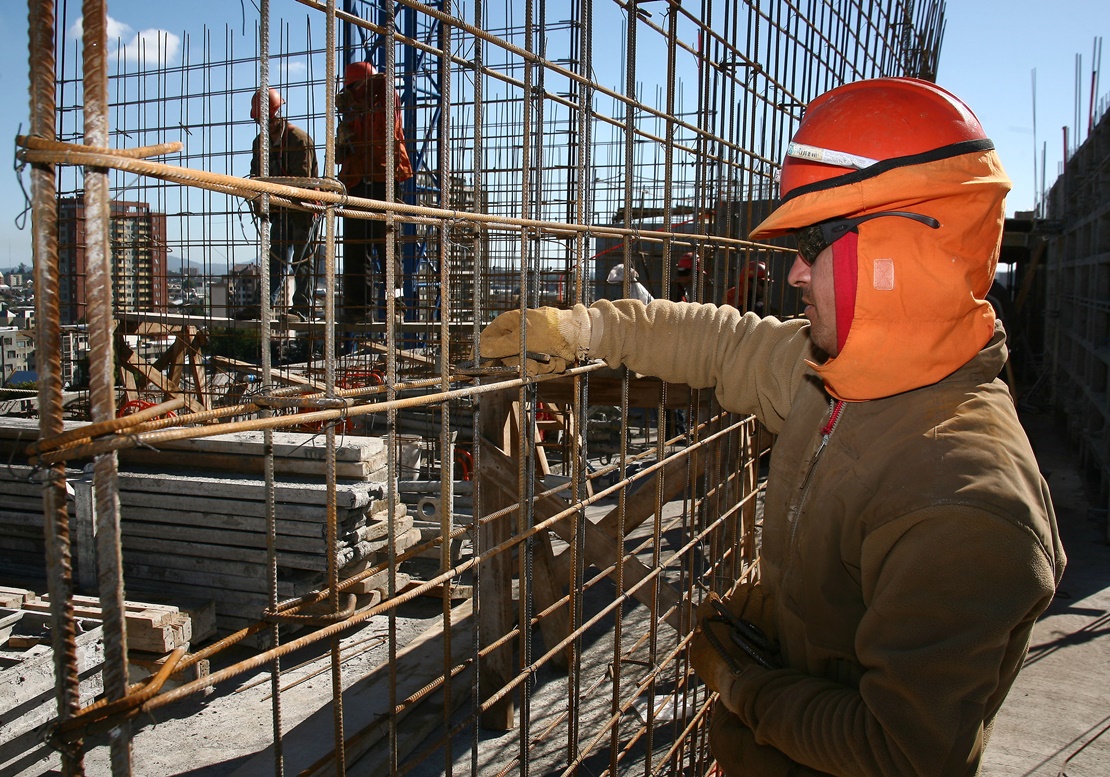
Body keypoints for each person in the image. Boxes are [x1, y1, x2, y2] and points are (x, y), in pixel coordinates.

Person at [477, 77, 1065, 775]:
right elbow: (726, 343)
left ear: (893, 259)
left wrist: (747, 685)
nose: (792, 272)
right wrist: (590, 325)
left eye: (815, 244)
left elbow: (901, 751)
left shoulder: (966, 504)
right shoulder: (842, 374)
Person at [336, 61, 413, 322]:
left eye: (353, 86)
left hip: (384, 178)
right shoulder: (349, 111)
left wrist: (358, 100)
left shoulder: (384, 97)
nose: (349, 92)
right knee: (357, 249)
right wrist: (343, 140)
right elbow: (340, 153)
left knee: (388, 246)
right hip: (356, 180)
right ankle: (358, 309)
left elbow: (385, 124)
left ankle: (395, 304)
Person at [249, 87, 320, 321]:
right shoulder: (260, 142)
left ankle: (302, 309)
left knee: (302, 260)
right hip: (280, 211)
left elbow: (303, 181)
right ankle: (263, 306)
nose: (263, 124)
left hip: (303, 210)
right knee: (276, 260)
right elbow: (255, 174)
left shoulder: (298, 139)